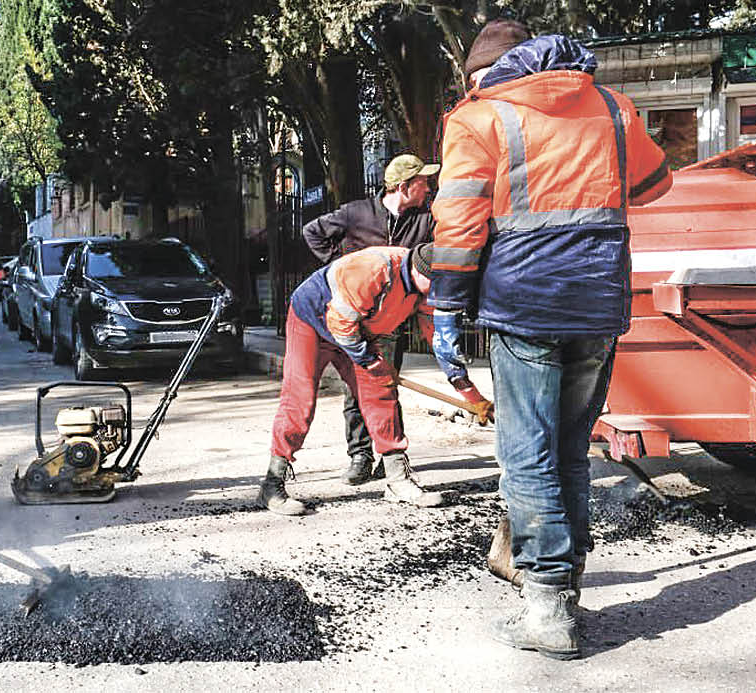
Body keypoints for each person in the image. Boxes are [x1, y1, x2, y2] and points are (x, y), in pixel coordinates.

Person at [430, 19, 672, 658]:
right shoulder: (612, 107)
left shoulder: (479, 117)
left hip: (524, 305)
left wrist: (447, 311)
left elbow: (457, 226)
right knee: (568, 450)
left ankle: (547, 611)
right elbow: (655, 184)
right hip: (598, 303)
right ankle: (566, 590)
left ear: (493, 70)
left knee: (527, 454)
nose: (476, 88)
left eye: (477, 78)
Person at [258, 243, 492, 515]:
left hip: (358, 328)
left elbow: (440, 343)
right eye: (439, 285)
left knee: (382, 394)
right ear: (420, 271)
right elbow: (341, 326)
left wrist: (474, 397)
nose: (441, 293)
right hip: (313, 320)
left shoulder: (428, 289)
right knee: (300, 400)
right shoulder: (373, 269)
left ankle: (397, 481)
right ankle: (272, 485)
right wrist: (371, 361)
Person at [302, 154, 439, 486]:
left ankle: (391, 459)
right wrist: (339, 266)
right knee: (355, 390)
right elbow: (312, 232)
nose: (428, 187)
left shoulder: (426, 219)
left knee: (385, 386)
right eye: (423, 182)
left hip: (391, 320)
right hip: (351, 316)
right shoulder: (356, 213)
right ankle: (360, 455)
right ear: (404, 187)